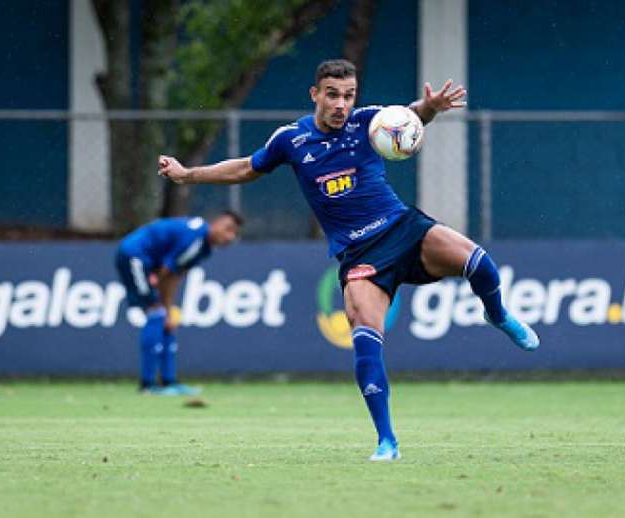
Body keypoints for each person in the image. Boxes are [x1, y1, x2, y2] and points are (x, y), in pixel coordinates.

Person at [158, 59, 538, 458]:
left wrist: (431, 108)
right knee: (366, 339)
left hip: (403, 228)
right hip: (359, 253)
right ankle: (386, 441)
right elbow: (244, 169)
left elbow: (408, 118)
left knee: (479, 262)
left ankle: (496, 315)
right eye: (333, 95)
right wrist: (187, 175)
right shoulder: (291, 140)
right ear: (315, 94)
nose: (342, 104)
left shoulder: (369, 123)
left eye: (349, 95)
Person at [115, 211, 242, 395]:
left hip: (146, 260)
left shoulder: (204, 245)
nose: (230, 237)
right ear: (215, 223)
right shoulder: (196, 239)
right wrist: (166, 308)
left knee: (166, 318)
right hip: (134, 256)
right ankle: (147, 385)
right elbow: (167, 273)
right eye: (228, 229)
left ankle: (169, 382)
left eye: (235, 234)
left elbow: (176, 273)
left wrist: (168, 309)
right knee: (157, 314)